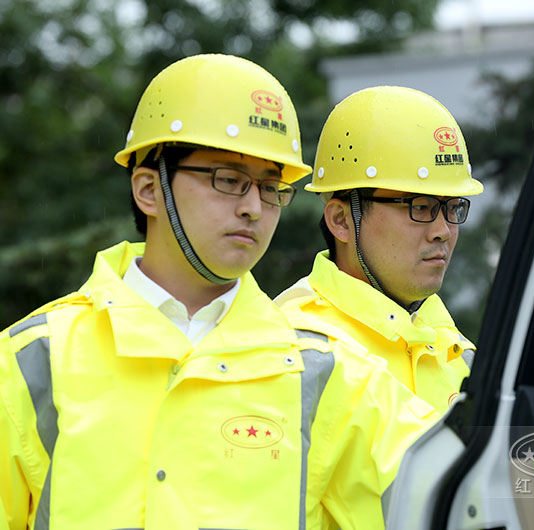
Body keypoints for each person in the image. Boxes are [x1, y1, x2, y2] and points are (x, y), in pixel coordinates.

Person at [0, 54, 437, 530]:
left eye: (270, 188)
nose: (254, 208)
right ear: (149, 190)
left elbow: (464, 492)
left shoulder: (326, 374)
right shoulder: (31, 364)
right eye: (229, 180)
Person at [276, 86, 484, 414]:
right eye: (420, 206)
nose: (443, 231)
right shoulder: (292, 349)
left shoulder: (459, 354)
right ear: (342, 220)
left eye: (453, 207)